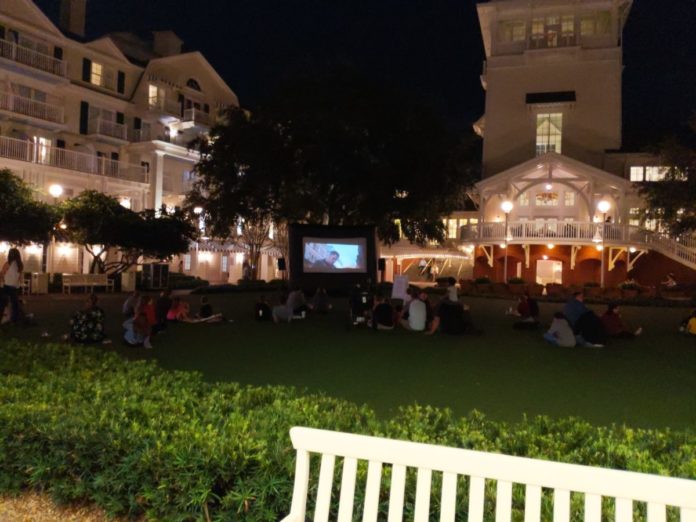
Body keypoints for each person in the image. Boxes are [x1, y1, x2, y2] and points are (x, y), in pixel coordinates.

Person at [0, 247, 23, 324]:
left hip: (10, 286)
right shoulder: (14, 264)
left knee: (11, 304)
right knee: (9, 304)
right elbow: (2, 274)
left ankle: (14, 319)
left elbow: (19, 276)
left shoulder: (17, 265)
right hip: (8, 286)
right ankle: (13, 319)